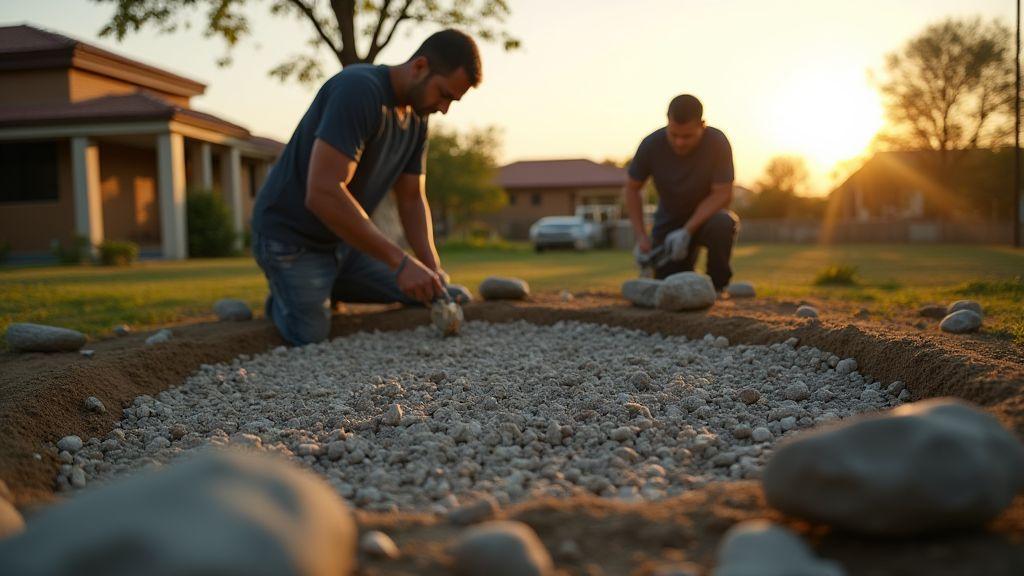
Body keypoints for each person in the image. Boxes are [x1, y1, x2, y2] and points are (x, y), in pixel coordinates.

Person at [250, 29, 480, 345]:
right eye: (444, 95)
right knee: (309, 334)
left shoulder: (418, 118)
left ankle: (323, 285)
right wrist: (400, 262)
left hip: (346, 244)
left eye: (452, 101)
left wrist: (431, 269)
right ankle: (286, 296)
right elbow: (323, 192)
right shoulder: (358, 89)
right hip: (290, 239)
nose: (444, 108)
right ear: (419, 67)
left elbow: (412, 199)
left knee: (432, 293)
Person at [624, 94, 739, 291]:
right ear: (667, 122)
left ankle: (718, 289)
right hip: (668, 224)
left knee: (723, 223)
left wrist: (687, 231)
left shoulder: (717, 142)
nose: (679, 142)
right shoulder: (651, 145)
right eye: (674, 134)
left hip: (705, 220)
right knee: (668, 284)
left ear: (702, 125)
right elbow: (632, 189)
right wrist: (641, 236)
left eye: (687, 136)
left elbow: (722, 194)